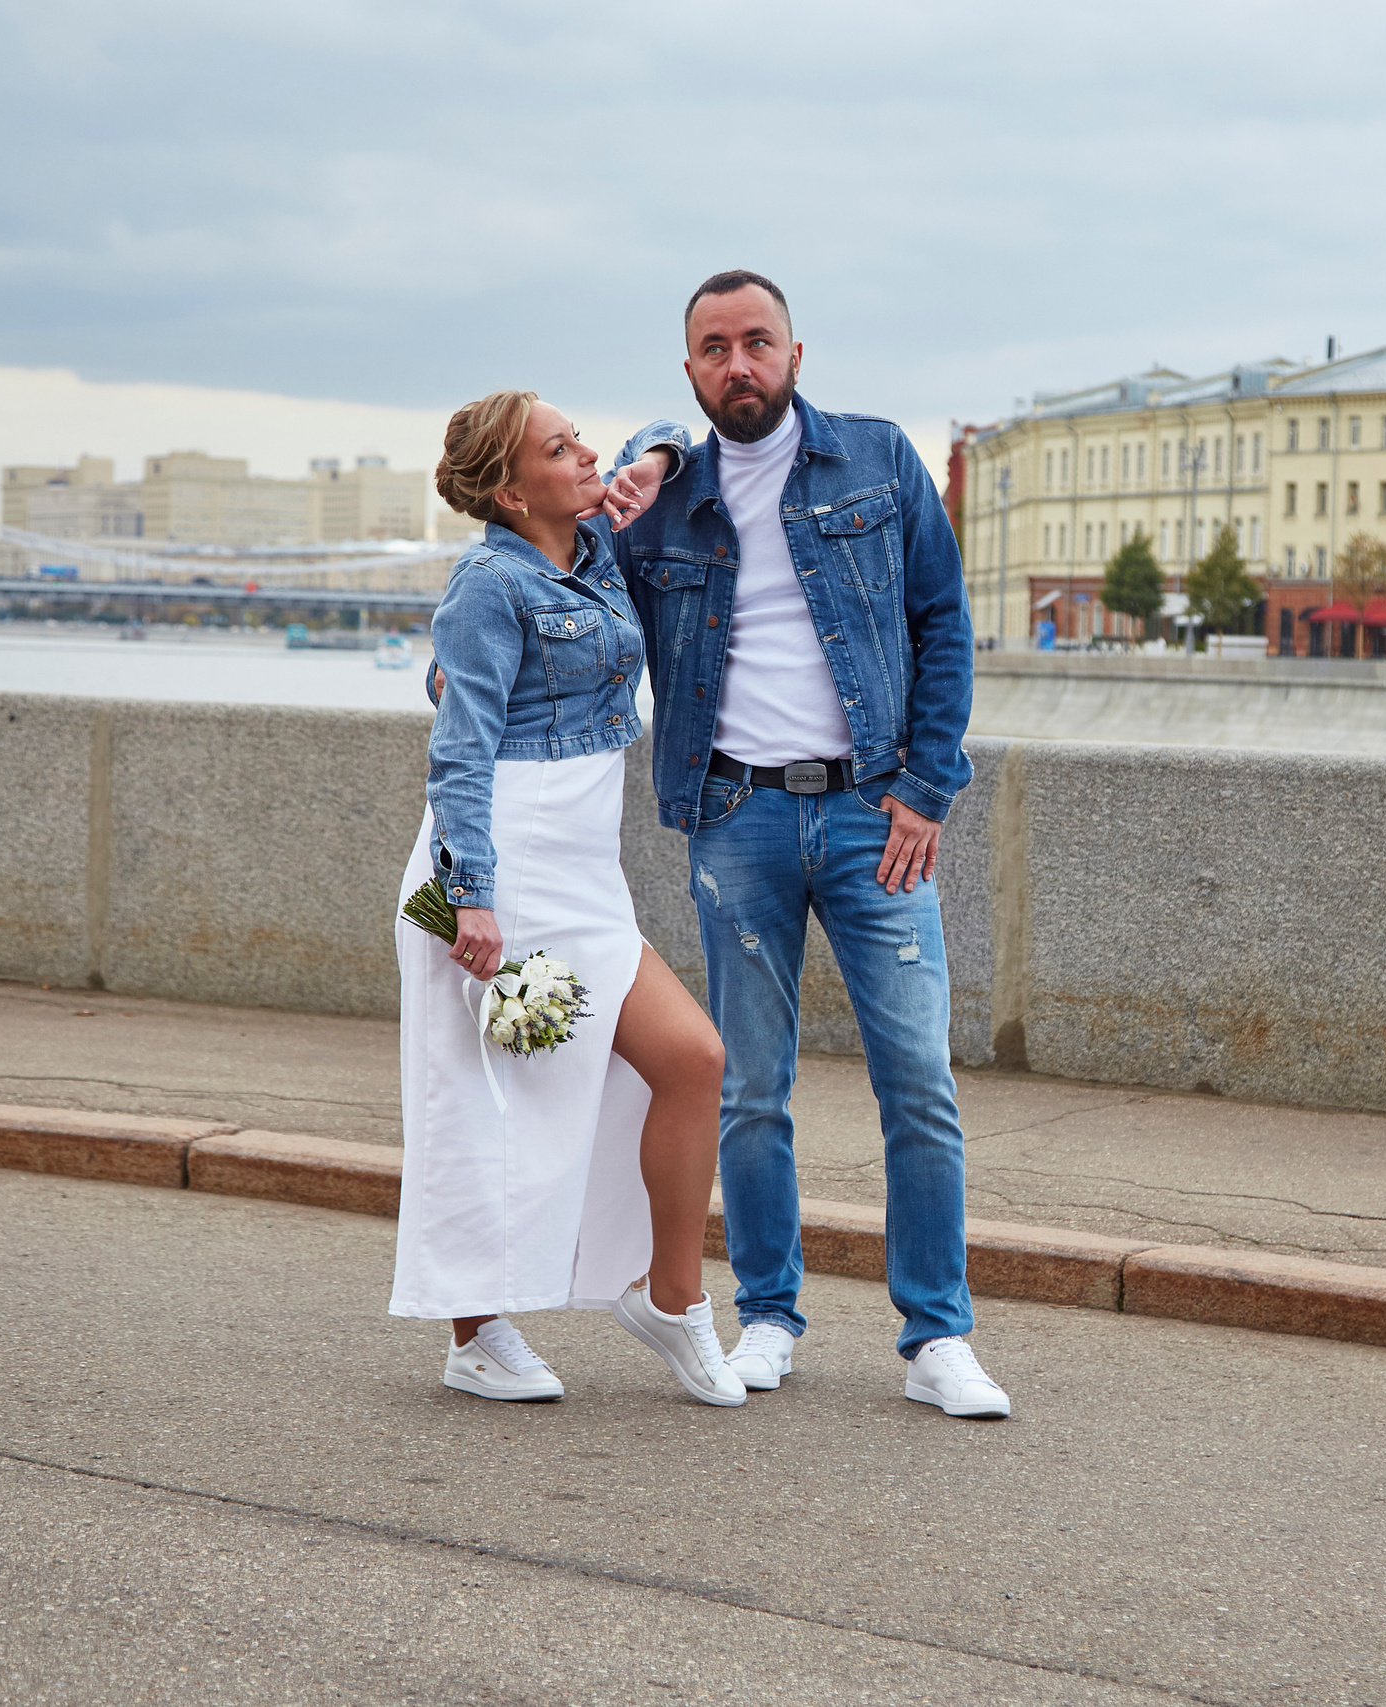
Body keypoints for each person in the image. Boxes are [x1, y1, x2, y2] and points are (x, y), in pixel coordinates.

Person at [615, 269, 1008, 1419]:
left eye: (758, 342)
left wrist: (928, 790)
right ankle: (770, 1315)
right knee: (748, 1090)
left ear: (796, 353)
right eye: (714, 349)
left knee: (918, 1079)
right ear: (689, 372)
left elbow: (944, 624)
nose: (739, 364)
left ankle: (938, 1336)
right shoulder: (664, 503)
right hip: (735, 815)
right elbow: (569, 590)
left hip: (871, 815)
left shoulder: (879, 461)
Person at [392, 391, 748, 1409]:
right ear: (510, 491)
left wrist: (662, 459)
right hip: (496, 863)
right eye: (561, 449)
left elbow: (651, 445)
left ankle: (671, 1301)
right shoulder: (486, 584)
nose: (590, 455)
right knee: (482, 1102)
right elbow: (456, 753)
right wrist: (470, 897)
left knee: (690, 1061)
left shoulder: (593, 551)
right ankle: (474, 1333)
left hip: (584, 868)